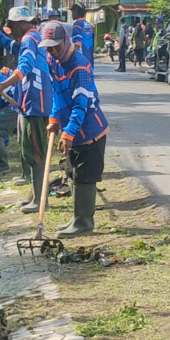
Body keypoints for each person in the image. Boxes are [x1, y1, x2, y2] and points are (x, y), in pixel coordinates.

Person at [39, 21, 109, 238]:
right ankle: (76, 218)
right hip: (71, 125)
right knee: (73, 172)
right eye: (48, 47)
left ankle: (84, 223)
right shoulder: (52, 60)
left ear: (66, 41)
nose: (52, 51)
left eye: (56, 47)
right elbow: (57, 94)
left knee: (85, 175)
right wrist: (54, 118)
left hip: (88, 130)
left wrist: (69, 132)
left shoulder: (78, 65)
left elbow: (81, 104)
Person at [0, 6, 54, 214]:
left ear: (23, 23)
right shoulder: (30, 39)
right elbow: (10, 45)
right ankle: (36, 195)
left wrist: (2, 86)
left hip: (36, 102)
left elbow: (24, 67)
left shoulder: (29, 40)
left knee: (36, 151)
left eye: (13, 25)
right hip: (31, 102)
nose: (11, 29)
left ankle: (41, 200)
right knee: (31, 149)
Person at [70, 2, 95, 68]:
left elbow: (77, 44)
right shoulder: (88, 25)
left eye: (72, 12)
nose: (72, 14)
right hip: (89, 61)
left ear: (76, 11)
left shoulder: (77, 25)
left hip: (81, 62)